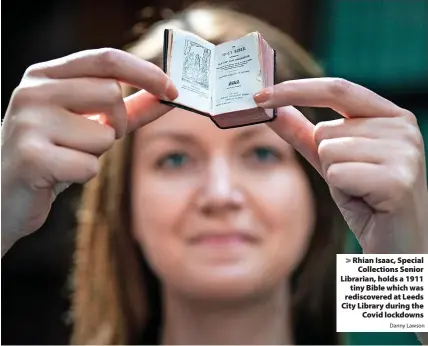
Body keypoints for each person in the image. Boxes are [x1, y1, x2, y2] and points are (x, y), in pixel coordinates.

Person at [1, 5, 427, 345]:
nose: (220, 194)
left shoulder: (395, 313)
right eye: (175, 160)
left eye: (260, 154)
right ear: (124, 204)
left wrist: (407, 273)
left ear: (317, 199)